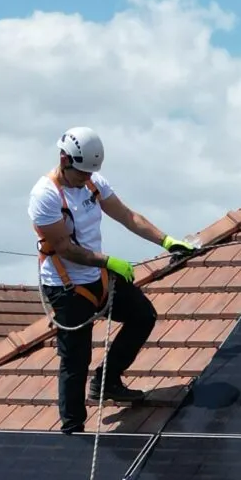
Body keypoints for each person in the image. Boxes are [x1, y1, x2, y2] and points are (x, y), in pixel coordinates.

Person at [29, 127, 191, 433]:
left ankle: (108, 381)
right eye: (80, 172)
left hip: (98, 278)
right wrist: (108, 260)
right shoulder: (45, 196)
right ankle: (73, 427)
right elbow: (64, 248)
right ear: (64, 159)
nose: (85, 178)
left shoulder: (93, 183)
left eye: (90, 172)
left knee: (143, 316)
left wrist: (167, 241)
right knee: (76, 359)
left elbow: (128, 216)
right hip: (67, 286)